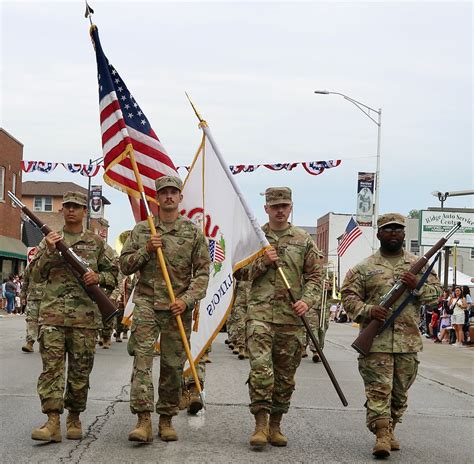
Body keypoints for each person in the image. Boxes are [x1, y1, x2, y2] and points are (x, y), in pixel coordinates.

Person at [341, 213, 441, 458]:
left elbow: (436, 295)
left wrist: (416, 285)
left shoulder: (419, 265)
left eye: (397, 229)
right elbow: (348, 297)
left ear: (404, 234)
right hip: (376, 342)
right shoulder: (364, 267)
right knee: (378, 391)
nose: (393, 233)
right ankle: (382, 434)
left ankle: (391, 426)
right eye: (387, 229)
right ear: (378, 234)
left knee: (399, 394)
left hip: (407, 343)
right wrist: (368, 311)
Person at [119, 175, 210, 443]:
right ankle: (143, 420)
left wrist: (187, 299)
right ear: (156, 198)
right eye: (164, 193)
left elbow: (203, 274)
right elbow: (124, 265)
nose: (169, 196)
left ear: (180, 197)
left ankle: (167, 419)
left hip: (176, 307)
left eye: (174, 192)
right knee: (142, 364)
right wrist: (146, 249)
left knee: (172, 366)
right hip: (147, 304)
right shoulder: (141, 230)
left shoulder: (193, 233)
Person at [30, 191, 118, 443]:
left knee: (80, 373)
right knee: (51, 372)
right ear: (62, 210)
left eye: (76, 207)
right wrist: (47, 250)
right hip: (52, 317)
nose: (71, 210)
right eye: (67, 206)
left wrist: (98, 278)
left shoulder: (97, 243)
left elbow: (114, 275)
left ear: (84, 211)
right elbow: (35, 275)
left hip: (84, 320)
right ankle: (52, 421)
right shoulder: (50, 240)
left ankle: (75, 416)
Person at [246, 187, 322, 448]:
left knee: (285, 376)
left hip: (291, 318)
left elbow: (315, 276)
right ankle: (260, 424)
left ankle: (276, 424)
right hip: (260, 315)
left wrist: (306, 301)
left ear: (291, 207)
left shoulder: (303, 239)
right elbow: (237, 273)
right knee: (260, 370)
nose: (280, 210)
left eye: (284, 205)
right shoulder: (255, 238)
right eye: (275, 205)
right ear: (266, 208)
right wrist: (262, 262)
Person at [20, 260, 44, 353]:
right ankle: (30, 343)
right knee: (31, 320)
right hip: (33, 298)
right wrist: (23, 295)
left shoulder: (49, 262)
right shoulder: (30, 266)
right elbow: (25, 281)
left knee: (45, 322)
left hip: (47, 298)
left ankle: (44, 344)